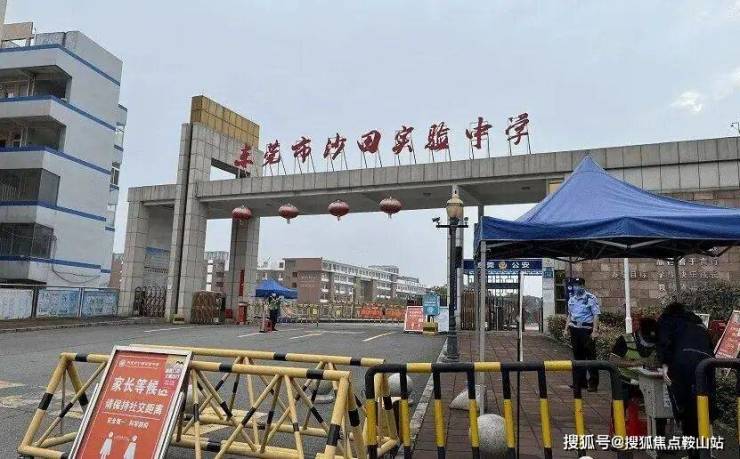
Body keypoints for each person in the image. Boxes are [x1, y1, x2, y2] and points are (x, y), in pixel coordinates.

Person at [656, 301, 715, 456]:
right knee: (704, 402)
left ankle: (693, 451)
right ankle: (704, 448)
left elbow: (664, 343)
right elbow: (709, 343)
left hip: (682, 364)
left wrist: (665, 363)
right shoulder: (697, 322)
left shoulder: (666, 320)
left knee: (684, 408)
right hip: (707, 363)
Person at [565, 278, 601, 392]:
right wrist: (566, 329)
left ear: (583, 286)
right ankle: (580, 382)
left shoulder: (590, 298)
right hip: (575, 330)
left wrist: (595, 331)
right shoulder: (572, 299)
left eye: (579, 285)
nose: (576, 287)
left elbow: (596, 315)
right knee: (578, 356)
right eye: (575, 285)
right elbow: (570, 315)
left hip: (586, 330)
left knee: (590, 357)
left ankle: (593, 383)